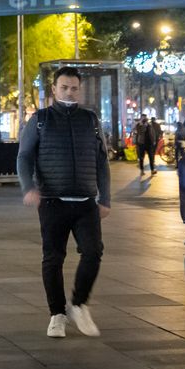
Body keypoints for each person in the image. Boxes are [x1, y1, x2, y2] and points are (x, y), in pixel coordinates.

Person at [16, 66, 110, 339]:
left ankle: (78, 305)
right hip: (52, 201)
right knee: (53, 258)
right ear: (54, 89)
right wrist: (28, 188)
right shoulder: (41, 120)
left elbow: (102, 162)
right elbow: (24, 156)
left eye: (74, 88)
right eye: (64, 87)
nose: (69, 92)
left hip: (85, 202)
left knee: (93, 252)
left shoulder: (90, 120)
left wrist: (105, 198)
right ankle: (56, 314)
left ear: (79, 90)